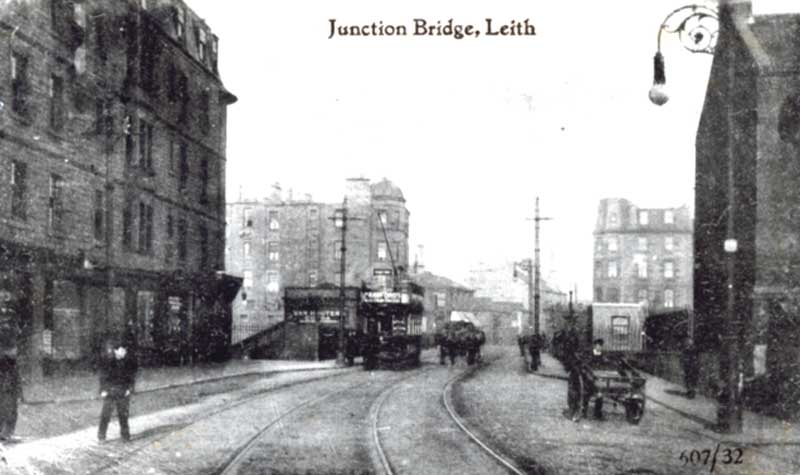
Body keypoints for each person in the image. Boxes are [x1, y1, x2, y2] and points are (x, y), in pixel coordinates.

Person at [97, 338, 138, 442]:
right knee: (105, 415)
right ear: (116, 351)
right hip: (110, 392)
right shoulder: (108, 362)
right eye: (122, 350)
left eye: (125, 350)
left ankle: (125, 436)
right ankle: (101, 436)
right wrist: (103, 390)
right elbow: (103, 377)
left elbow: (131, 378)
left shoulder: (128, 362)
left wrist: (130, 389)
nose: (125, 352)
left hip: (123, 391)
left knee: (123, 415)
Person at [0, 290, 22, 441]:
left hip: (7, 359)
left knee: (7, 398)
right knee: (9, 399)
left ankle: (5, 432)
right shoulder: (11, 321)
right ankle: (7, 432)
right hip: (7, 359)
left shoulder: (10, 321)